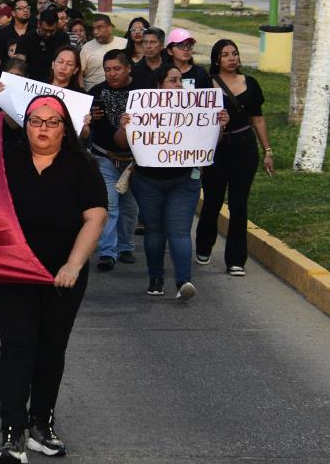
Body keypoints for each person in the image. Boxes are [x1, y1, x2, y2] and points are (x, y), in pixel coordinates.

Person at [0, 95, 106, 464]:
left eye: (52, 122)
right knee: (18, 345)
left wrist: (73, 264)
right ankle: (11, 432)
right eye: (35, 121)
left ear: (64, 127)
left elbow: (95, 217)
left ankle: (42, 423)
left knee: (51, 348)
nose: (43, 129)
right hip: (11, 270)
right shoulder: (5, 160)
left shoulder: (82, 165)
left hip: (62, 275)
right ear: (25, 125)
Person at [118, 64, 227, 299]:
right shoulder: (141, 110)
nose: (179, 86)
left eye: (181, 81)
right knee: (155, 232)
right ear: (159, 85)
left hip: (184, 181)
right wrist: (124, 126)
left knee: (179, 232)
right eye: (173, 80)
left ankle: (183, 282)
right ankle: (156, 278)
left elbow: (208, 144)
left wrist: (218, 126)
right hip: (148, 182)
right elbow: (121, 143)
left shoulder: (195, 110)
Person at [196, 39, 274, 277]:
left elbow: (257, 119)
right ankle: (203, 245)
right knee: (213, 200)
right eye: (225, 54)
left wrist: (267, 151)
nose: (231, 58)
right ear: (216, 59)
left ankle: (236, 259)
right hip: (216, 148)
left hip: (244, 147)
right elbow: (197, 119)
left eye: (234, 54)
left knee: (239, 204)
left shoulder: (250, 83)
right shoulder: (206, 84)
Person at [86, 50, 139, 271]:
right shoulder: (96, 92)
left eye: (117, 68)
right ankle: (108, 252)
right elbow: (87, 126)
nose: (112, 74)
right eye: (107, 69)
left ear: (128, 68)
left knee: (130, 207)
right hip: (105, 158)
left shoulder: (142, 92)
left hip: (135, 162)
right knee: (110, 205)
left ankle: (125, 246)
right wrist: (91, 117)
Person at [18, 8, 71, 81]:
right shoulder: (25, 39)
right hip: (31, 82)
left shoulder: (63, 38)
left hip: (55, 83)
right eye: (45, 30)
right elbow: (19, 64)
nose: (48, 34)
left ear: (56, 25)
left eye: (52, 30)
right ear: (38, 24)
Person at [80, 15, 128, 89]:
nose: (95, 32)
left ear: (110, 28)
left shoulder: (124, 44)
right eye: (94, 28)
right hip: (92, 92)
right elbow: (79, 73)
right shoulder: (87, 47)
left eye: (100, 27)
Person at [0, 0, 33, 75]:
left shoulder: (35, 31)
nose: (25, 10)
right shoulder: (2, 33)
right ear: (13, 13)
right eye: (20, 8)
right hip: (6, 77)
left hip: (30, 79)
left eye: (27, 8)